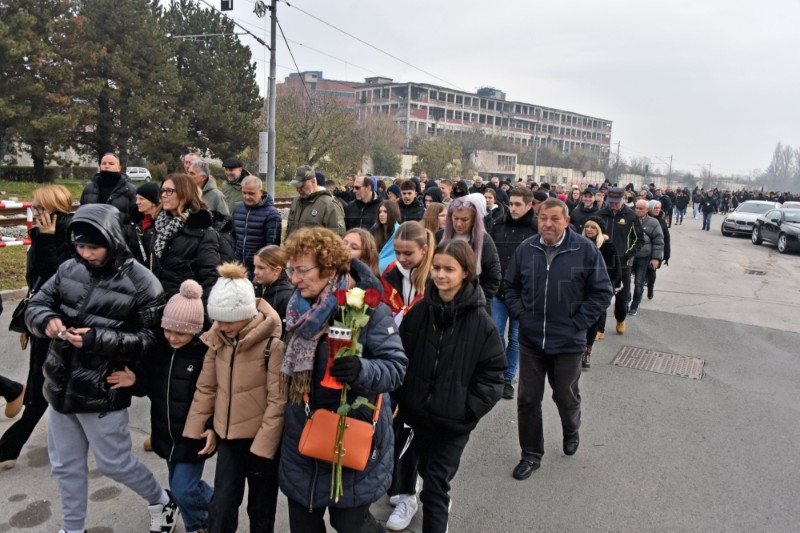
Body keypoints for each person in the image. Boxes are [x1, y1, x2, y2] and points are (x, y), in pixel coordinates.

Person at [24, 203, 177, 533]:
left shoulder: (143, 283)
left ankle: (162, 501)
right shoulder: (68, 269)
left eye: (92, 246)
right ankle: (73, 528)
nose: (85, 253)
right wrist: (46, 320)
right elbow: (36, 304)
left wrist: (97, 339)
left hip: (104, 390)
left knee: (116, 464)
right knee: (65, 466)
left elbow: (152, 340)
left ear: (112, 239)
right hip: (60, 388)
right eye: (79, 245)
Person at [278, 227, 407, 533]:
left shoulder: (366, 306)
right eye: (291, 270)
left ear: (329, 266)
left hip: (350, 436)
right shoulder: (297, 307)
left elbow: (396, 367)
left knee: (350, 524)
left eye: (302, 270)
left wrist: (361, 369)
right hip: (304, 436)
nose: (294, 279)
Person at [397, 239, 506, 533]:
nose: (441, 275)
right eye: (436, 268)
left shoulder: (481, 323)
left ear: (466, 272)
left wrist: (467, 411)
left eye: (449, 269)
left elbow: (494, 374)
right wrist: (404, 400)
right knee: (423, 470)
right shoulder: (419, 314)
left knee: (435, 486)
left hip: (453, 424)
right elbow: (400, 358)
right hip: (417, 417)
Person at [505, 198, 613, 481]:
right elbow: (510, 286)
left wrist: (577, 323)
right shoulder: (526, 249)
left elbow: (602, 292)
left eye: (554, 218)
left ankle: (571, 427)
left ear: (566, 221)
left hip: (568, 343)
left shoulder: (584, 250)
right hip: (531, 341)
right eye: (543, 218)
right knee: (528, 398)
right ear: (537, 219)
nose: (548, 224)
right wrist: (521, 315)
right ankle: (530, 454)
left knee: (565, 395)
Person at [184, 263, 287, 533]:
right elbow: (206, 387)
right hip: (228, 439)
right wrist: (203, 427)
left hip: (260, 442)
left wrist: (264, 448)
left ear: (246, 313)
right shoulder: (218, 339)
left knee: (261, 509)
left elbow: (278, 402)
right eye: (218, 319)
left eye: (229, 320)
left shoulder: (272, 346)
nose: (223, 325)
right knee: (222, 506)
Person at [108, 279, 214, 533]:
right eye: (168, 330)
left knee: (183, 489)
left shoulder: (204, 355)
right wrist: (135, 380)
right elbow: (150, 387)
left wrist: (211, 427)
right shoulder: (159, 350)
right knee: (181, 485)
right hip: (165, 434)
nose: (173, 337)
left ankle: (201, 521)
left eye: (181, 332)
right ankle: (208, 507)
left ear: (196, 330)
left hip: (193, 436)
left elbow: (213, 396)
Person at [0, 185, 74, 470]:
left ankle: (9, 447)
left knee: (42, 388)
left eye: (40, 207)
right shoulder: (41, 233)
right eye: (34, 206)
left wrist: (46, 240)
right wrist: (27, 325)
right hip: (40, 320)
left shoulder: (69, 234)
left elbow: (61, 280)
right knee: (40, 386)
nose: (35, 211)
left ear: (55, 207)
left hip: (58, 322)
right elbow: (36, 282)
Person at [379, 221, 435, 530]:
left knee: (421, 431)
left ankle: (431, 490)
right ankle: (404, 492)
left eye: (408, 253)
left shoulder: (436, 276)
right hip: (396, 360)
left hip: (427, 363)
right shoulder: (389, 275)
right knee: (399, 427)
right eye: (397, 252)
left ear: (424, 250)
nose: (401, 258)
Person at [489, 187, 537, 400]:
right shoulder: (498, 225)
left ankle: (508, 378)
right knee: (496, 334)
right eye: (512, 204)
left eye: (519, 204)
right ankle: (498, 375)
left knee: (516, 338)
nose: (514, 208)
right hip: (499, 291)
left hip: (524, 295)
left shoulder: (536, 230)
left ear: (529, 205)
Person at [149, 174, 225, 304]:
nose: (164, 195)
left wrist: (198, 312)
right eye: (162, 190)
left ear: (185, 193)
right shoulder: (159, 226)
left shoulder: (203, 231)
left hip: (186, 308)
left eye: (170, 191)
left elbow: (210, 278)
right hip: (160, 304)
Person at [441, 194, 502, 314]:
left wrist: (479, 302)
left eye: (464, 219)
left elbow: (493, 277)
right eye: (455, 218)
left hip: (473, 308)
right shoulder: (441, 237)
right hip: (444, 304)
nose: (458, 224)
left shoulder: (484, 241)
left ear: (474, 220)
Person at [79, 152, 142, 262]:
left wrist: (119, 232)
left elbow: (137, 221)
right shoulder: (89, 189)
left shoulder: (130, 190)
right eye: (104, 163)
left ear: (119, 167)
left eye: (111, 163)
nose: (107, 166)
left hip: (120, 245)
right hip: (92, 244)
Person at [595, 187, 642, 335]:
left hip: (623, 266)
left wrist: (628, 255)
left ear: (623, 199)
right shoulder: (600, 214)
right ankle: (599, 329)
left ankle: (620, 319)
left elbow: (639, 239)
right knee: (601, 297)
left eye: (616, 201)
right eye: (611, 201)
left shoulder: (631, 216)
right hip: (603, 264)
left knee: (621, 300)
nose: (613, 204)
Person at [581, 217, 620, 368]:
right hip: (581, 288)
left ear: (599, 229)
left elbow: (615, 269)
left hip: (598, 289)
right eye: (587, 226)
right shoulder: (579, 243)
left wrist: (610, 287)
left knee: (593, 321)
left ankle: (587, 352)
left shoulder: (607, 245)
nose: (589, 229)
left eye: (593, 227)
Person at [231, 176, 282, 276]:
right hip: (238, 265)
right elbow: (233, 236)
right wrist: (233, 255)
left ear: (261, 191)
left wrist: (262, 269)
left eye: (251, 193)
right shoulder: (237, 210)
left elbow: (272, 246)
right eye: (244, 193)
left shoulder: (272, 214)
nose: (247, 197)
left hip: (258, 269)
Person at [286, 165, 345, 238]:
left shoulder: (329, 205)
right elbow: (289, 231)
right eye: (296, 186)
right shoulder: (296, 202)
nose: (298, 189)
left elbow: (337, 239)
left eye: (302, 185)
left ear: (313, 181)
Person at [628, 200, 664, 316]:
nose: (638, 210)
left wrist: (655, 258)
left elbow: (659, 242)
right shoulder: (629, 219)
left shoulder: (653, 223)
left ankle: (634, 305)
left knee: (639, 282)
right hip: (629, 256)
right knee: (625, 281)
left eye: (641, 208)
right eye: (636, 208)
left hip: (643, 257)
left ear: (647, 210)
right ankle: (626, 300)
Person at [253, 245, 293, 337]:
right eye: (255, 266)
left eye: (261, 268)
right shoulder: (255, 287)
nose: (255, 271)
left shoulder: (287, 296)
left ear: (277, 271)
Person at [646, 201, 671, 302]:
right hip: (643, 250)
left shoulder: (662, 222)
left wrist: (667, 254)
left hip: (656, 251)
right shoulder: (643, 219)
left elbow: (666, 239)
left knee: (652, 271)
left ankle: (650, 288)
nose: (657, 210)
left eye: (659, 208)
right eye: (655, 208)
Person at [135, 181, 161, 265]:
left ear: (153, 202)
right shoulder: (134, 222)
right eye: (137, 198)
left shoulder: (161, 224)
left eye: (141, 199)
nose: (137, 202)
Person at [372, 200, 401, 274]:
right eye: (380, 212)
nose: (381, 214)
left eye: (385, 212)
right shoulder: (375, 229)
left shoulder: (399, 232)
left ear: (392, 213)